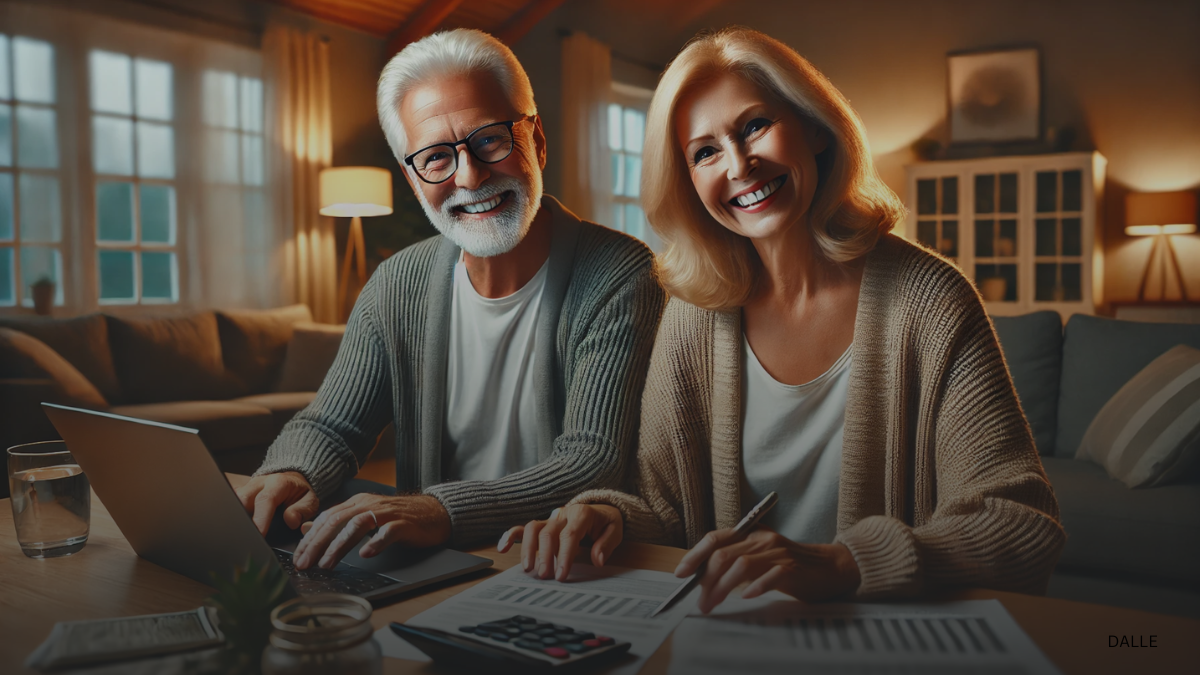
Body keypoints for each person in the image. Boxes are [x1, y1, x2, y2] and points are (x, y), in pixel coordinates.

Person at [501, 27, 1064, 614]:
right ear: (689, 183)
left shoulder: (929, 301)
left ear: (816, 127)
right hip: (734, 634)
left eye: (754, 127)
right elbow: (668, 512)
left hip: (885, 640)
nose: (740, 165)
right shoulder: (695, 317)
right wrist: (607, 515)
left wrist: (845, 563)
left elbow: (1021, 524)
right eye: (705, 152)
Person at [237, 29, 665, 571]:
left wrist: (437, 508)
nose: (469, 175)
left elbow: (589, 462)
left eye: (489, 139)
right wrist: (291, 472)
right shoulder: (397, 283)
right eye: (436, 158)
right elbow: (332, 424)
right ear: (413, 180)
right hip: (432, 566)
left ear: (537, 140)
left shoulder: (622, 274)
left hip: (561, 567)